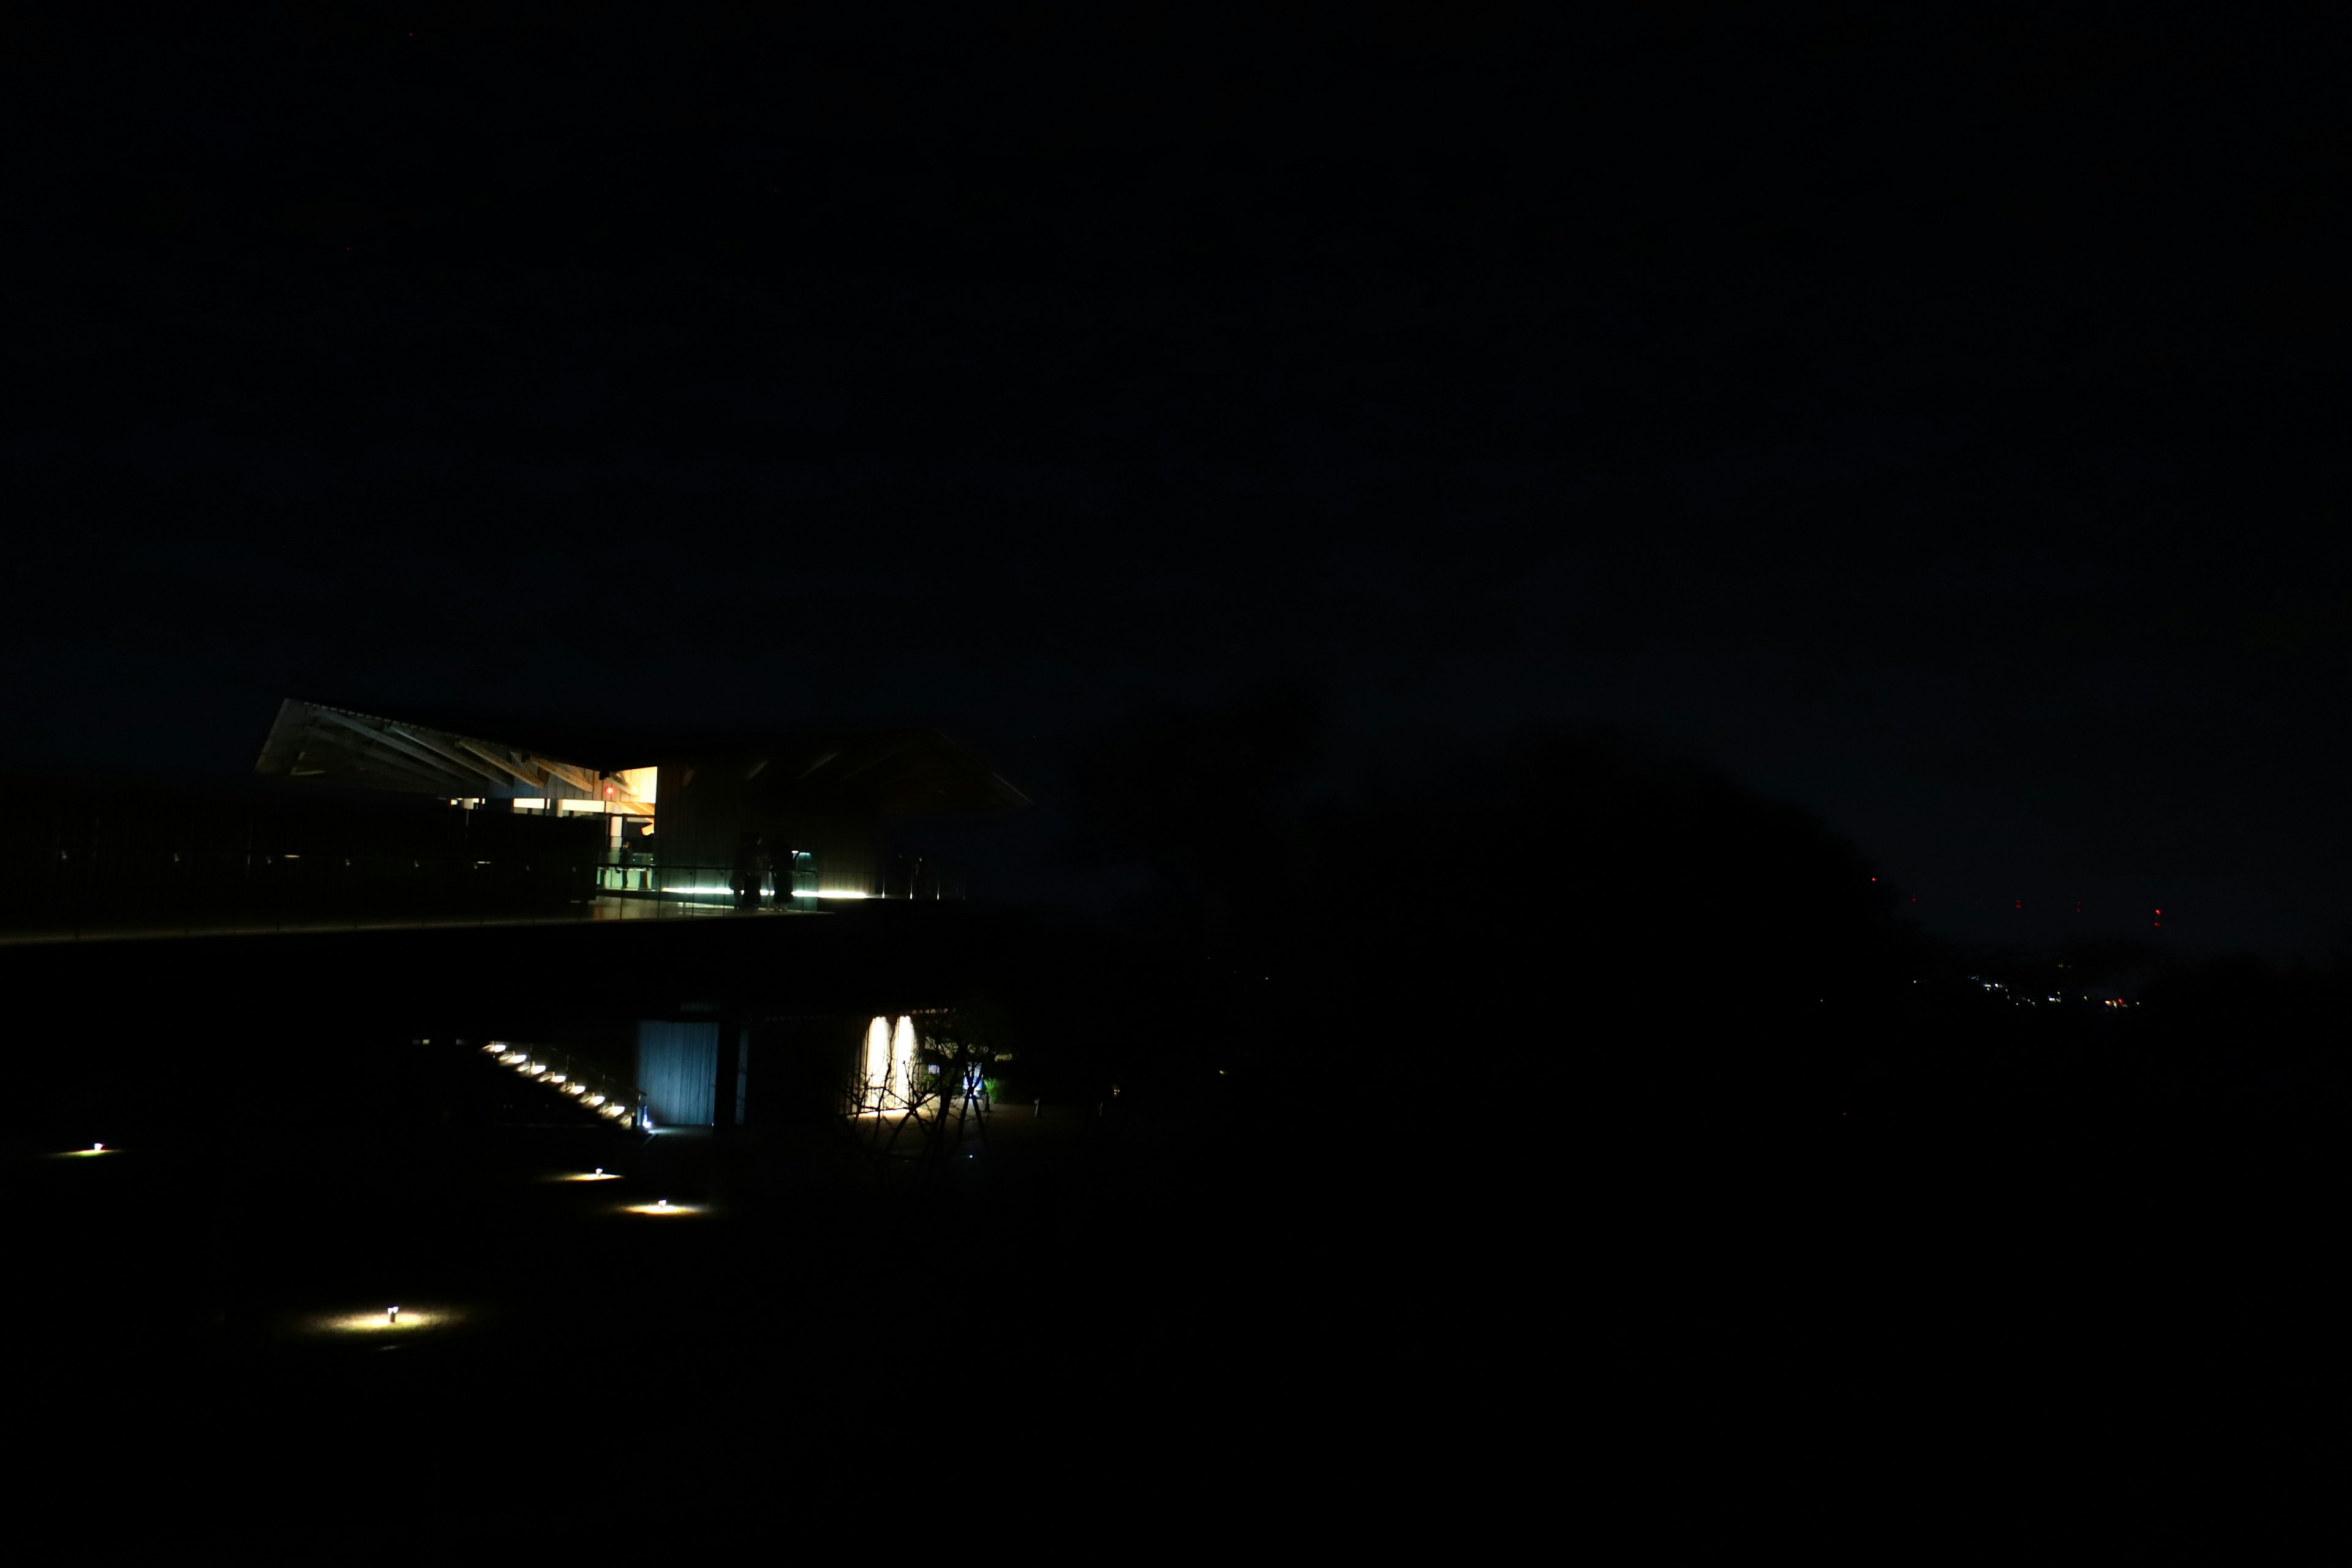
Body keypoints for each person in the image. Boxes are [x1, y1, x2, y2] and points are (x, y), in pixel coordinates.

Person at [730, 832, 763, 913]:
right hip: (744, 870)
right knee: (742, 886)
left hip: (739, 869)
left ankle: (739, 902)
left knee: (737, 887)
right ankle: (741, 903)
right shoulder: (747, 849)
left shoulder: (742, 848)